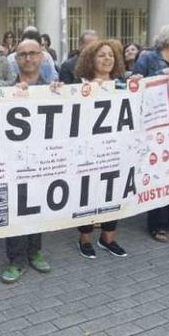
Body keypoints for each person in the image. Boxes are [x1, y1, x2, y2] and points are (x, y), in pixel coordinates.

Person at [1, 39, 55, 283]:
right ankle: (16, 260)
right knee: (15, 207)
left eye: (33, 53)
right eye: (22, 54)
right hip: (12, 159)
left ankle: (35, 252)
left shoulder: (53, 88)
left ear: (42, 56)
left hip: (41, 159)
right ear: (16, 59)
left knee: (36, 205)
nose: (28, 58)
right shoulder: (5, 89)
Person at [72, 40, 131, 258]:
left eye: (111, 55)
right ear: (90, 60)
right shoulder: (79, 85)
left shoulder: (122, 84)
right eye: (101, 55)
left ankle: (108, 238)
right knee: (88, 194)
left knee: (112, 192)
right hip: (88, 151)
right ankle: (84, 238)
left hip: (115, 150)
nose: (107, 59)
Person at [133, 24, 169, 243]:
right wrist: (162, 76)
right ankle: (156, 223)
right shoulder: (148, 58)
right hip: (154, 125)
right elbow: (137, 84)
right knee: (157, 172)